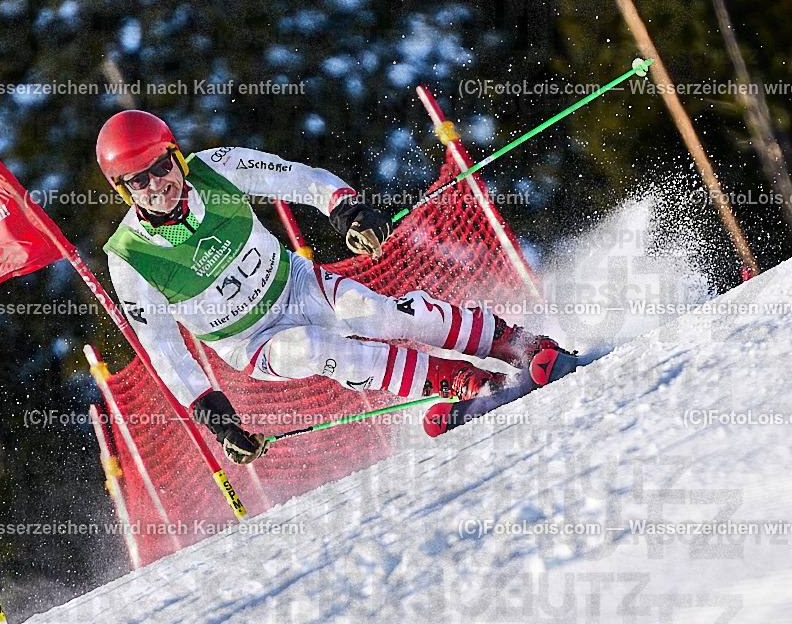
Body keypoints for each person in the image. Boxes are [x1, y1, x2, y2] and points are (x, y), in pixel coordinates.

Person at [97, 111, 564, 465]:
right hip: (250, 341)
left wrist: (347, 212)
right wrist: (216, 417)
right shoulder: (130, 258)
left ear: (175, 156)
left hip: (293, 284)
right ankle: (465, 383)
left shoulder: (215, 169)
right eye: (139, 181)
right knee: (314, 348)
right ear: (124, 191)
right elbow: (163, 349)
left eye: (161, 167)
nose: (157, 185)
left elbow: (297, 177)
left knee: (379, 314)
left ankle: (519, 344)